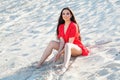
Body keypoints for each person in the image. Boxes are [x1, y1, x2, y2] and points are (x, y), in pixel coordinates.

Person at [36, 7, 89, 73]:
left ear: (71, 15)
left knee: (68, 45)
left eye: (67, 14)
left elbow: (70, 43)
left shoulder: (73, 25)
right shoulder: (61, 26)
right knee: (52, 43)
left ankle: (65, 66)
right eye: (63, 14)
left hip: (76, 48)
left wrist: (60, 53)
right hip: (66, 47)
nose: (65, 15)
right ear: (61, 16)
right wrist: (58, 53)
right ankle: (39, 64)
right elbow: (62, 42)